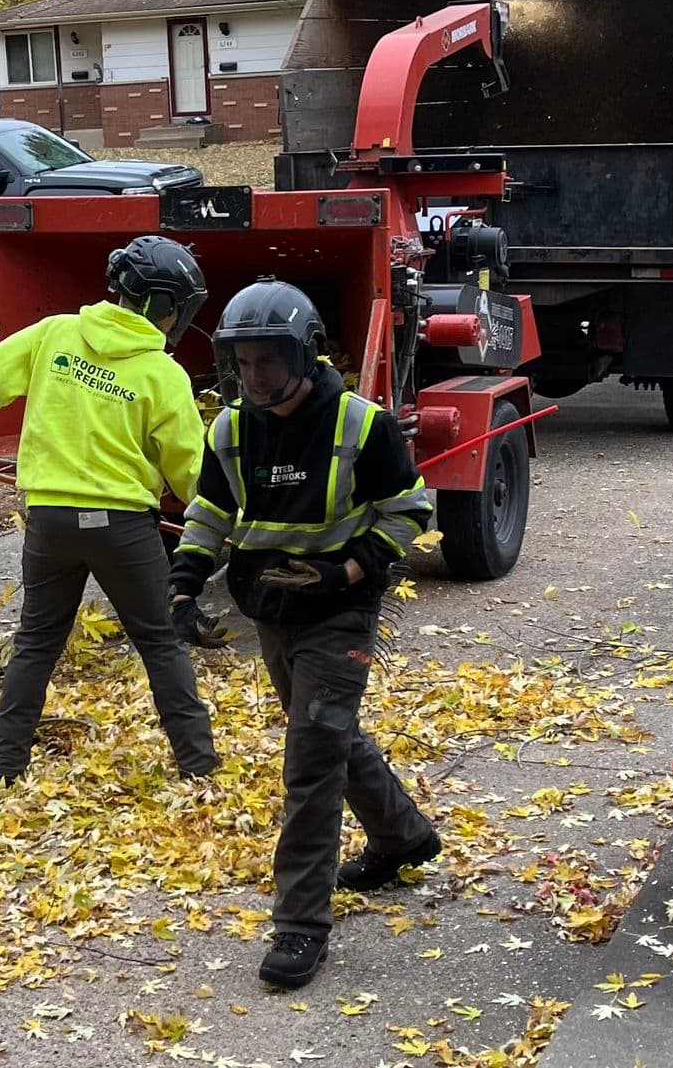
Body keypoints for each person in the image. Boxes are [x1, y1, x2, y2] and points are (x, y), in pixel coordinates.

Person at [168, 281, 439, 990]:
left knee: (311, 759)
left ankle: (300, 925)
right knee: (328, 732)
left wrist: (348, 570)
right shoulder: (229, 430)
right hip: (270, 609)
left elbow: (410, 510)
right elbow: (208, 513)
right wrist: (183, 585)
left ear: (306, 353)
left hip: (340, 611)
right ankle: (403, 836)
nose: (254, 377)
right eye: (242, 362)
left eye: (268, 362)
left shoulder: (359, 424)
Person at [0, 235, 219, 786]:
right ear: (163, 306)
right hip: (123, 528)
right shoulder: (163, 374)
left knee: (36, 643)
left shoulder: (56, 334)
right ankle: (198, 764)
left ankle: (6, 767)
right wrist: (220, 521)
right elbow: (191, 470)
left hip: (50, 521)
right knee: (159, 641)